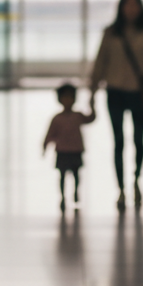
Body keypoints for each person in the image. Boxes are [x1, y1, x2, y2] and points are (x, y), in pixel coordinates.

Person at [90, 0, 143, 211]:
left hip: (140, 93)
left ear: (140, 8)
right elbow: (100, 62)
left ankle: (136, 179)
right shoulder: (111, 33)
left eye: (135, 5)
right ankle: (121, 188)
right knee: (118, 141)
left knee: (139, 140)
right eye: (128, 4)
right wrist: (93, 91)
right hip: (115, 90)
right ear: (121, 7)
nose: (131, 9)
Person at [43, 84, 96, 212]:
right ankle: (62, 197)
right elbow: (50, 134)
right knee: (62, 176)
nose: (68, 100)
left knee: (76, 175)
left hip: (76, 151)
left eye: (70, 97)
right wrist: (45, 146)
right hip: (62, 152)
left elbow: (91, 118)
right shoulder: (57, 118)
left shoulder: (78, 116)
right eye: (65, 97)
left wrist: (93, 106)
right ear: (59, 99)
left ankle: (75, 193)